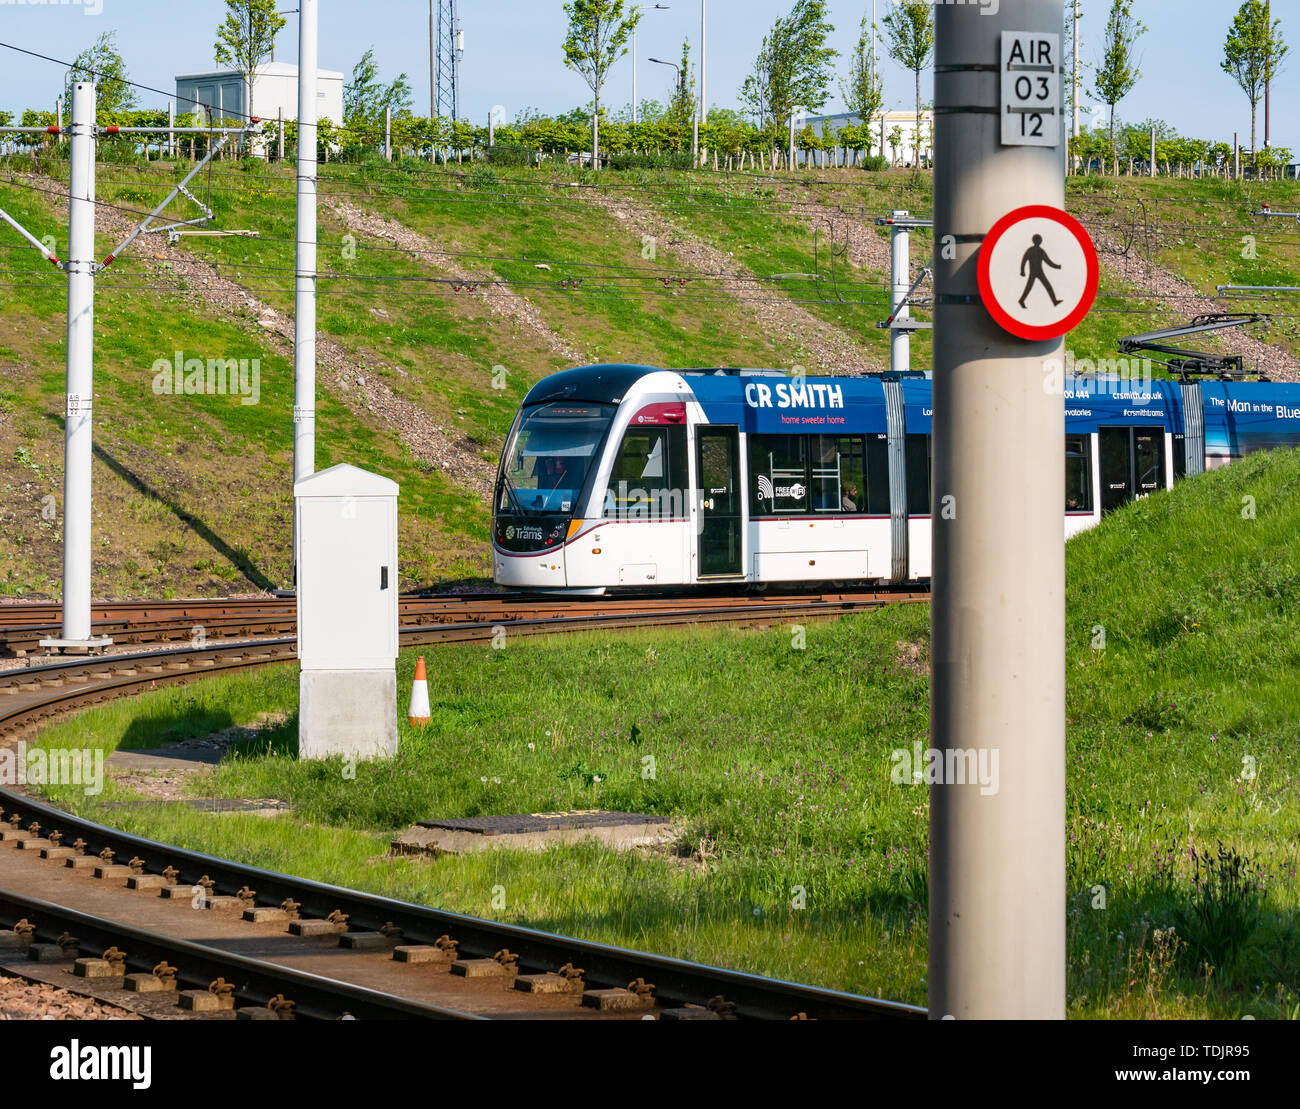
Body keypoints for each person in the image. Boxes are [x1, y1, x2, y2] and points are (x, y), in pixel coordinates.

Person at [1019, 233, 1063, 308]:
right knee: (1029, 287)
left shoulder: (1040, 251)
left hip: (1039, 272)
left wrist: (1057, 266)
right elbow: (1024, 260)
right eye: (1039, 239)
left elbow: (1048, 261)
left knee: (1047, 286)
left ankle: (1054, 301)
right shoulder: (1032, 250)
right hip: (1034, 272)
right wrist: (1022, 271)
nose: (1040, 241)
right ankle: (1021, 300)